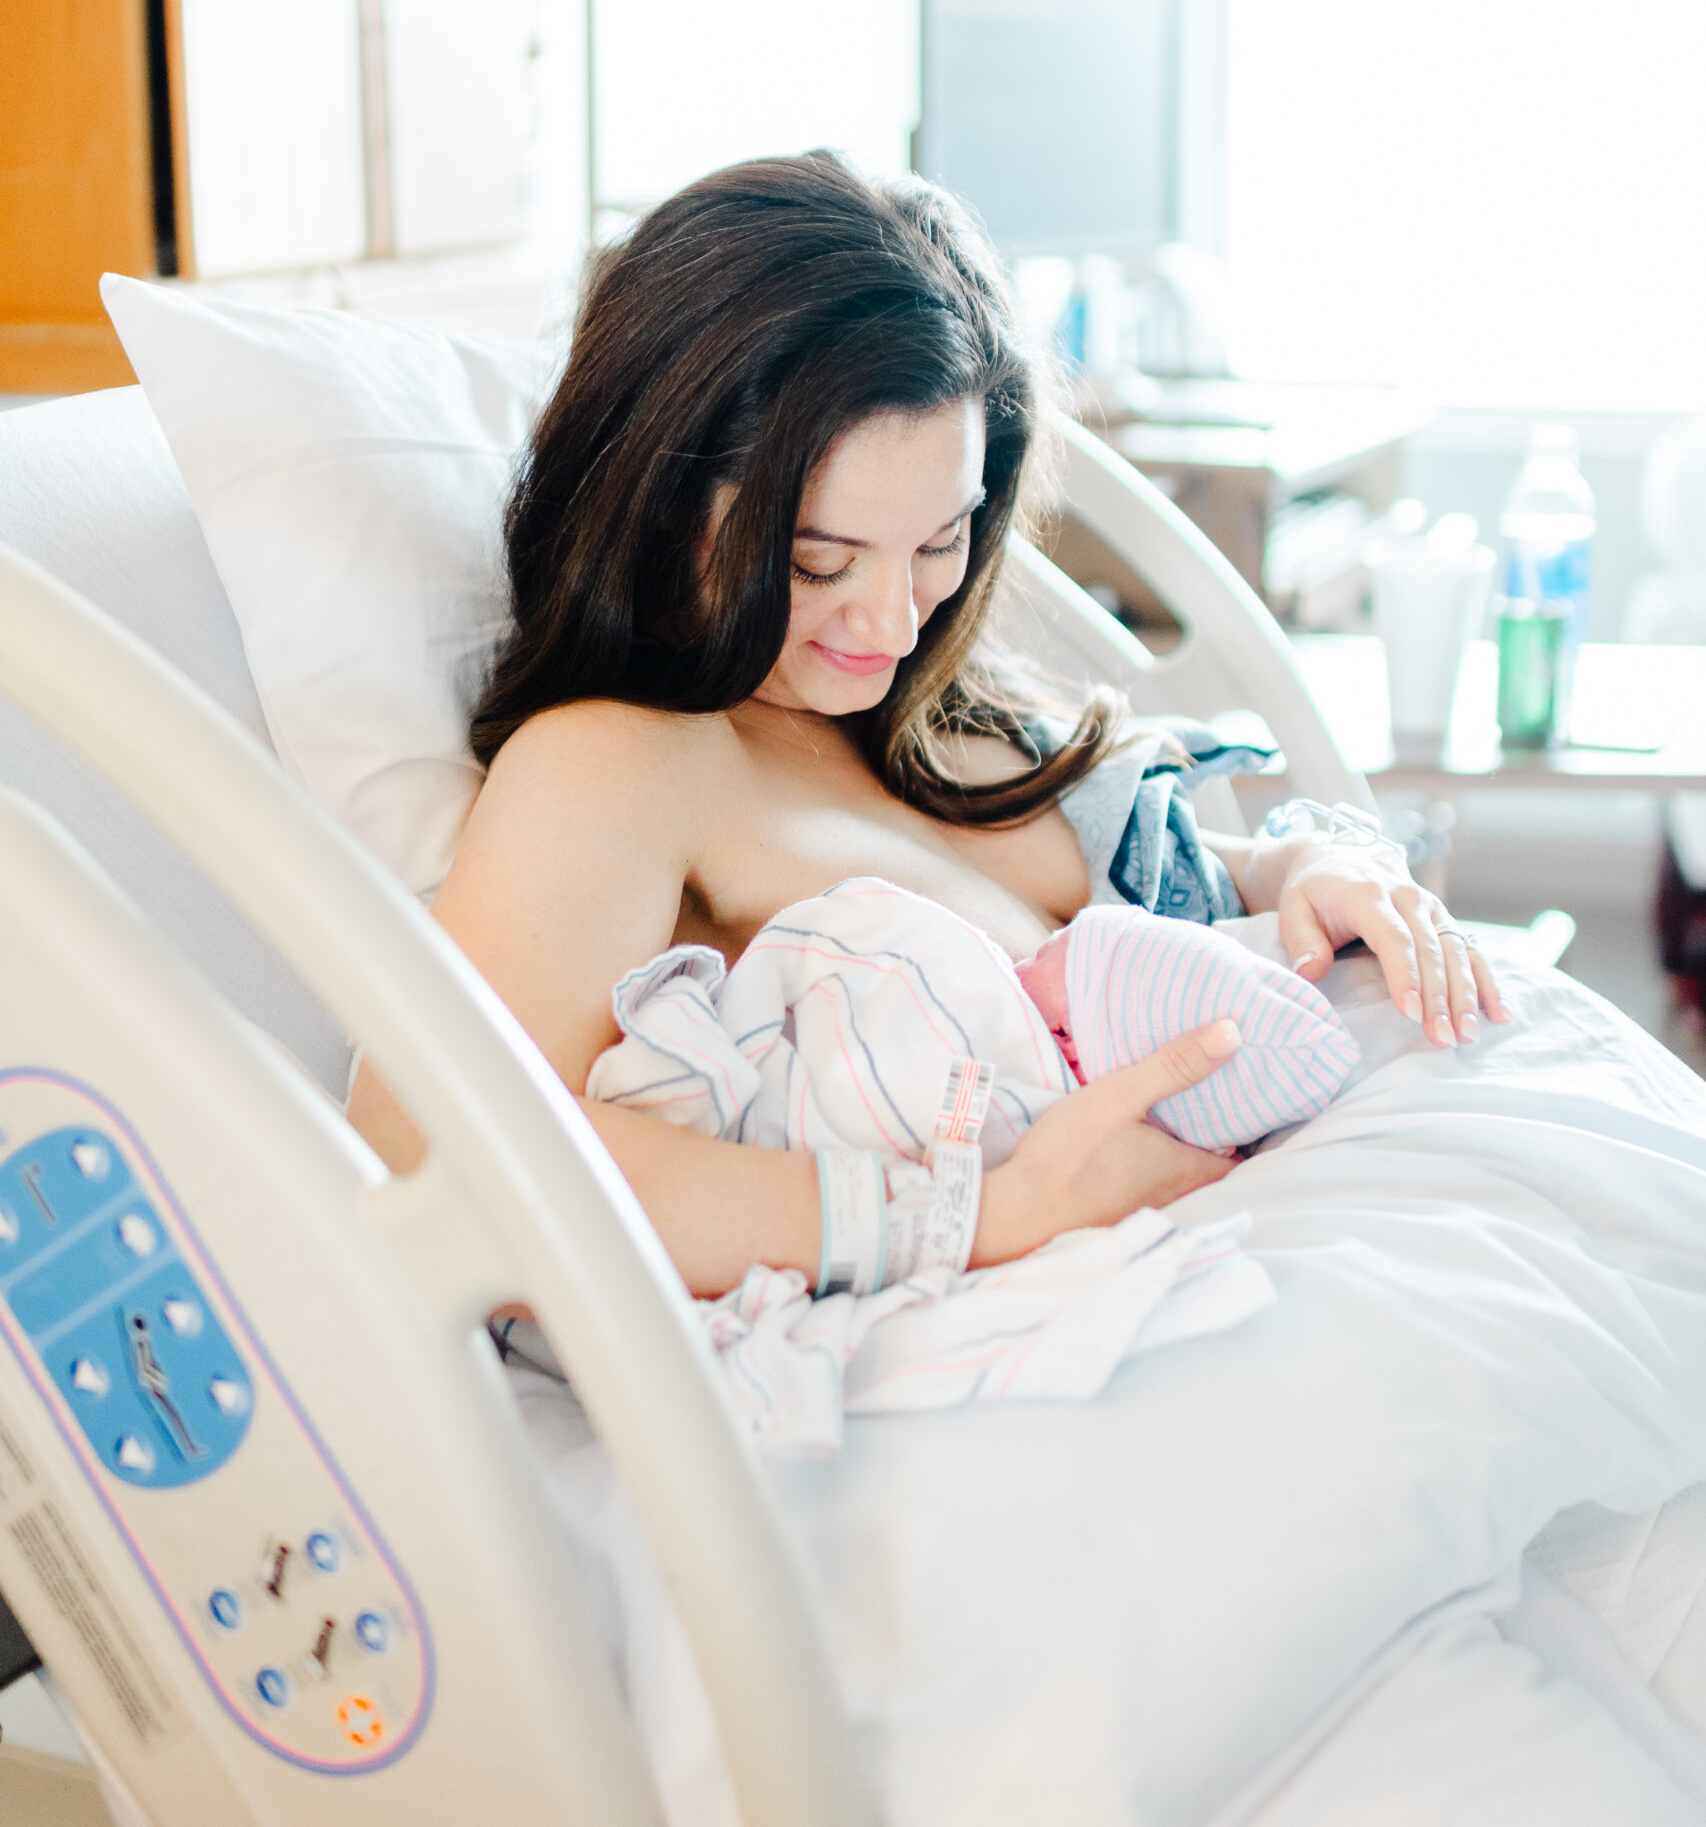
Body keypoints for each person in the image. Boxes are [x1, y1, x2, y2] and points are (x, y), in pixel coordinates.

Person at [348, 153, 1505, 1295]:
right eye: (817, 559)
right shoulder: (619, 764)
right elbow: (442, 1151)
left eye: (939, 542)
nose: (893, 617)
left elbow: (1114, 880)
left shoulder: (905, 713)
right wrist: (974, 1214)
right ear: (654, 503)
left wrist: (1303, 865)